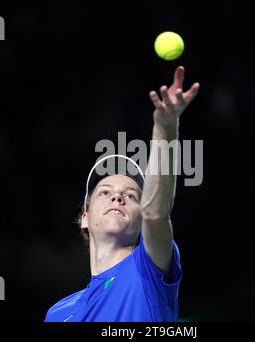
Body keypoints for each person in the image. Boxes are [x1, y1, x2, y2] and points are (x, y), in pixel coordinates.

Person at [44, 66, 199, 322]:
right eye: (104, 192)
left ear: (140, 221)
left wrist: (165, 128)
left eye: (131, 195)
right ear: (85, 217)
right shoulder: (57, 313)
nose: (117, 197)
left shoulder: (147, 271)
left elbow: (156, 213)